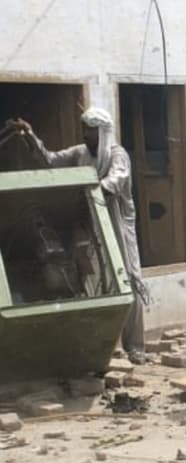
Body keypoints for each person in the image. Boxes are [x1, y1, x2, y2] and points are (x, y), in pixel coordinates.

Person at [12, 109, 146, 365]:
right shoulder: (80, 153)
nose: (86, 135)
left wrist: (90, 188)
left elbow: (114, 182)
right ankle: (104, 345)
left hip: (116, 225)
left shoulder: (118, 155)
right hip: (88, 224)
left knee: (127, 279)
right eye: (84, 130)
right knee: (89, 278)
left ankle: (134, 346)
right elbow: (50, 160)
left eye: (91, 131)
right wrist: (30, 136)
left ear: (103, 132)